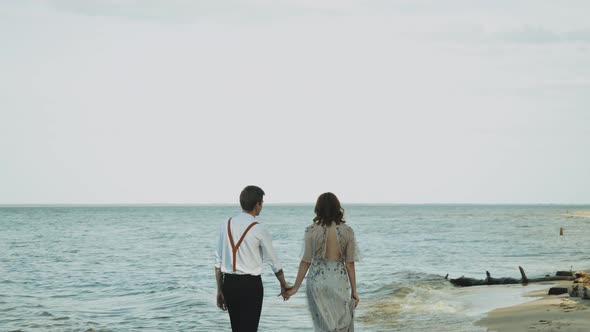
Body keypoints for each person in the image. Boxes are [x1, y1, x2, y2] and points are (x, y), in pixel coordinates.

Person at [214, 185, 290, 332]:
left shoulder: (226, 225)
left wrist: (219, 290)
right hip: (251, 286)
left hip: (229, 284)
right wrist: (284, 284)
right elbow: (274, 262)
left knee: (237, 329)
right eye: (262, 203)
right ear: (257, 204)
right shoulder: (258, 228)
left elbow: (218, 262)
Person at [286, 192, 360, 332]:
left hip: (317, 282)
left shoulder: (311, 231)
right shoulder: (348, 231)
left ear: (318, 208)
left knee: (322, 326)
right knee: (340, 322)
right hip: (338, 282)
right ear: (338, 208)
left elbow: (305, 261)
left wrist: (295, 287)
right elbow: (350, 264)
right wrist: (354, 291)